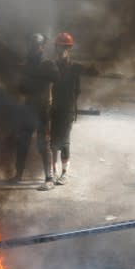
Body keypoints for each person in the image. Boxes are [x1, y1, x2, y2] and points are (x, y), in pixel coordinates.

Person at [14, 33, 58, 190]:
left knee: (43, 143)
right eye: (31, 45)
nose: (33, 48)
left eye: (36, 45)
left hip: (43, 108)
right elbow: (21, 88)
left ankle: (49, 178)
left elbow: (56, 78)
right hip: (29, 107)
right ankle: (18, 174)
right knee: (23, 140)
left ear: (42, 47)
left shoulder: (47, 64)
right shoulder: (26, 65)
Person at [49, 32, 82, 186]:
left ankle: (64, 173)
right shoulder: (51, 66)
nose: (62, 50)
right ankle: (53, 172)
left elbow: (77, 91)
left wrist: (74, 110)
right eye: (60, 47)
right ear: (56, 48)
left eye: (65, 47)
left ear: (70, 49)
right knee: (53, 142)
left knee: (64, 142)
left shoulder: (74, 68)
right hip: (53, 109)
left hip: (67, 110)